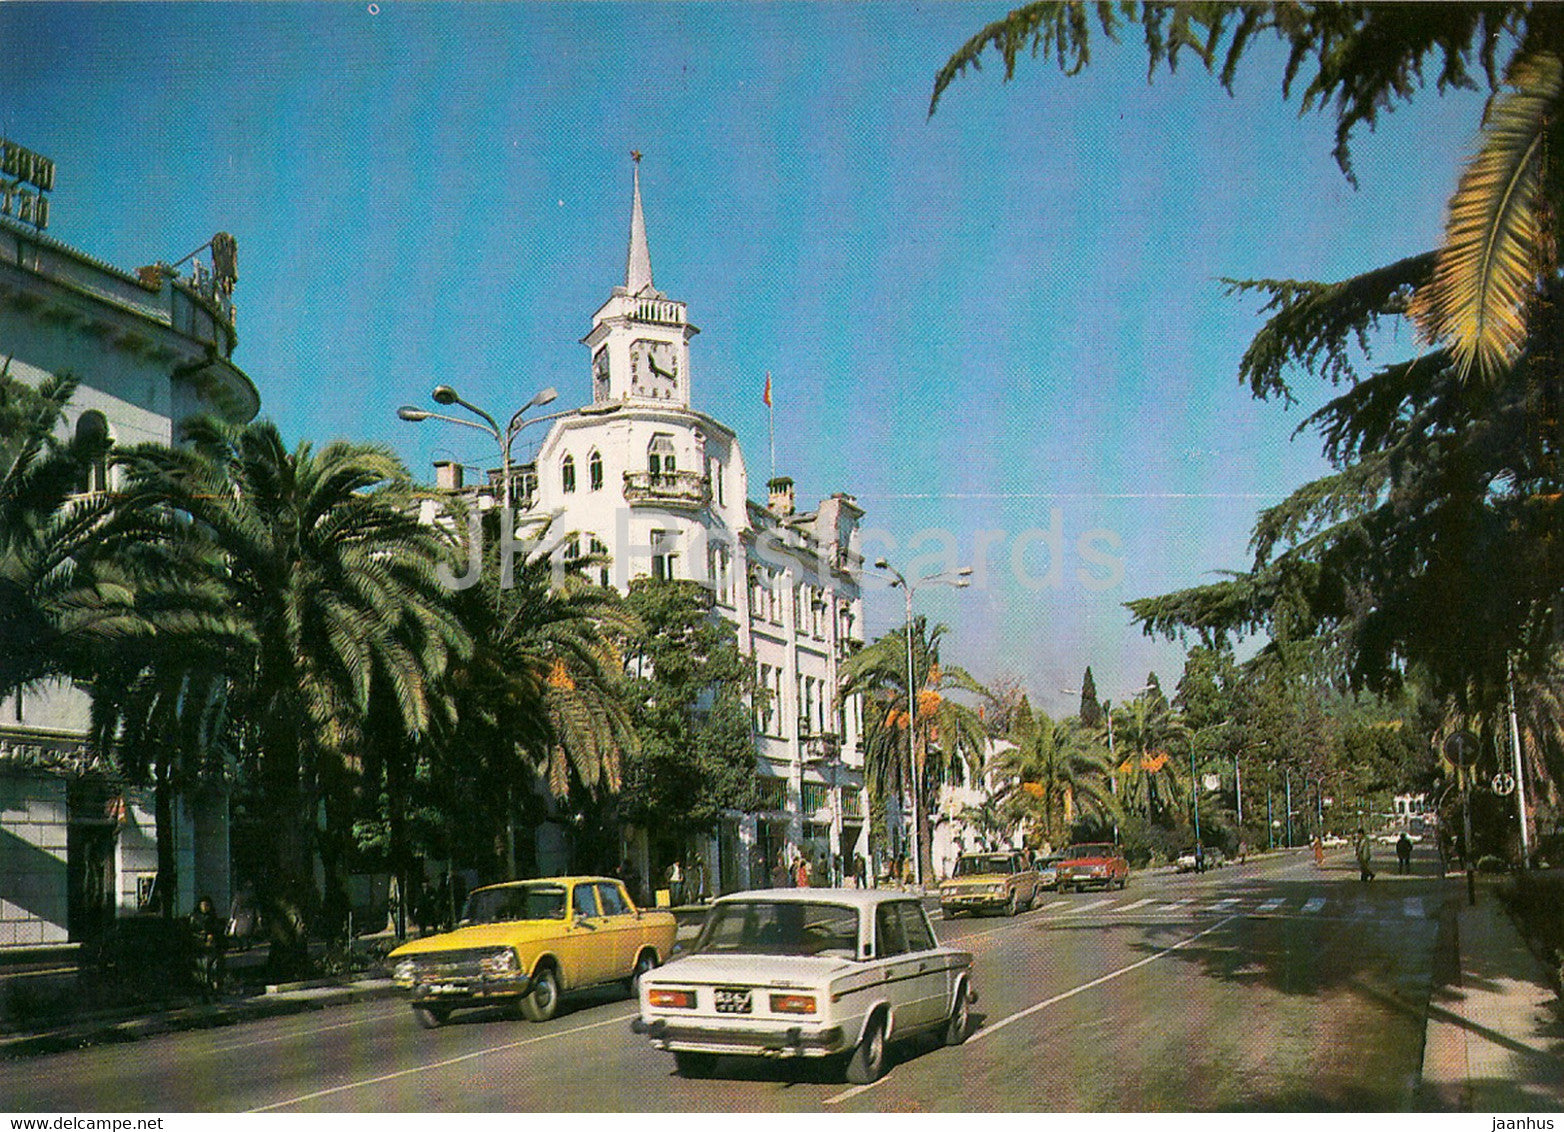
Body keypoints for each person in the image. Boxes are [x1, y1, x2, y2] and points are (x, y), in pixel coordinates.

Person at [190, 895, 226, 1000]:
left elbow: (218, 930)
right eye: (204, 905)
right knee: (204, 973)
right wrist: (205, 936)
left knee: (215, 970)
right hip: (202, 949)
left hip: (214, 948)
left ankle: (216, 993)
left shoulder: (213, 917)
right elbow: (192, 933)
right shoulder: (195, 917)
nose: (206, 907)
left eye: (208, 905)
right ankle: (205, 994)